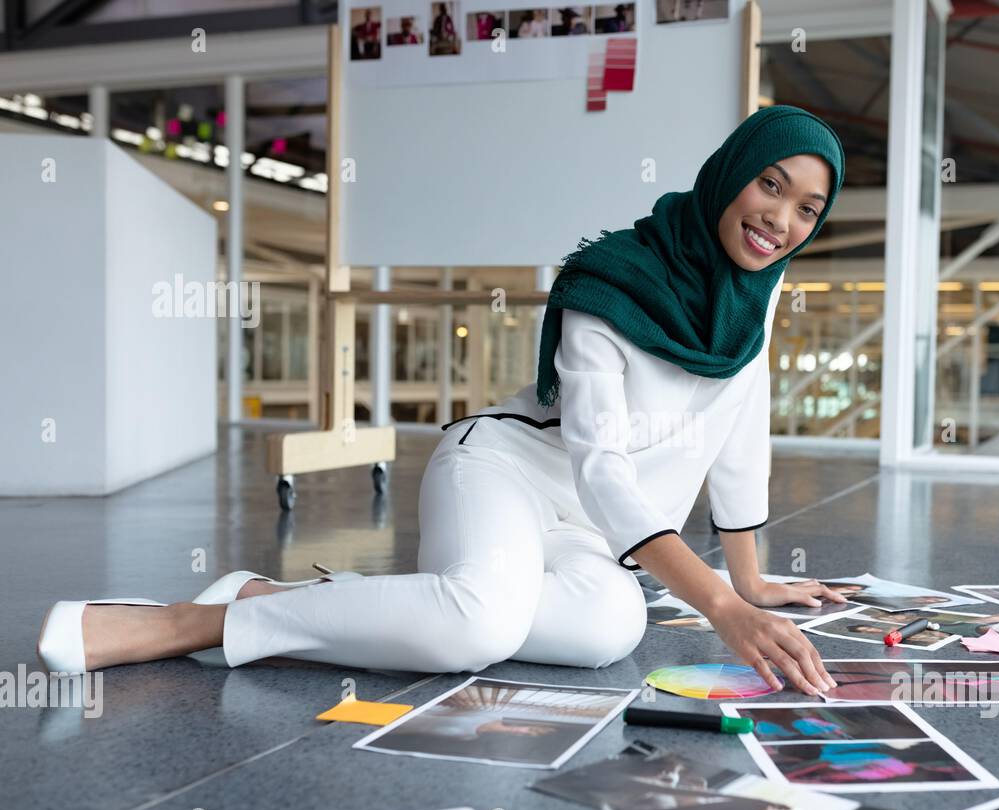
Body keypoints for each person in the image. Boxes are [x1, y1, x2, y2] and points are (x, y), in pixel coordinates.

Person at [38, 106, 848, 697]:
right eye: (770, 185)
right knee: (478, 626)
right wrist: (717, 608)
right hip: (501, 471)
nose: (779, 220)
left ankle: (295, 600)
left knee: (611, 630)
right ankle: (192, 624)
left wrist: (749, 584)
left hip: (594, 538)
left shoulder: (758, 296)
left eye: (807, 208)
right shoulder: (614, 282)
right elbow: (602, 468)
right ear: (733, 170)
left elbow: (740, 426)